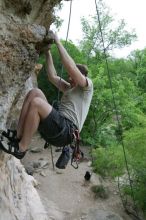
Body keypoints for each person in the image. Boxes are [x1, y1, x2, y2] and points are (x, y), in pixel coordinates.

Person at [0, 32, 93, 160]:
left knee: (37, 103)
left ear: (81, 76)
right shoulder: (68, 88)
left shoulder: (87, 88)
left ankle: (21, 148)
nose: (69, 78)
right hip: (60, 126)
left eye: (72, 76)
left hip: (67, 131)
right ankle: (18, 135)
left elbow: (71, 67)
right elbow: (52, 76)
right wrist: (47, 52)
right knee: (35, 92)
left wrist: (58, 42)